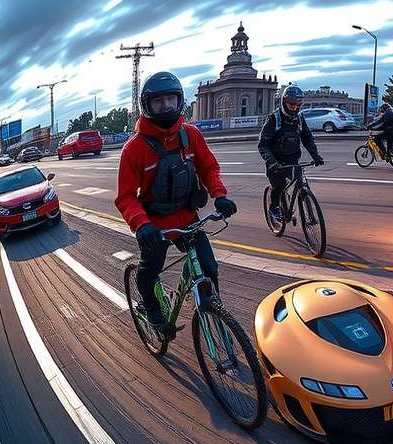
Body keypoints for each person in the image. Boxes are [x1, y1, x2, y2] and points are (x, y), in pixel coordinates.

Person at [115, 71, 237, 329]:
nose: (166, 106)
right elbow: (126, 197)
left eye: (171, 99)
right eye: (159, 101)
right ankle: (151, 309)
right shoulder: (134, 149)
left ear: (179, 100)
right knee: (149, 271)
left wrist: (220, 195)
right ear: (147, 106)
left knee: (209, 268)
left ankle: (210, 309)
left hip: (187, 218)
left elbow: (208, 168)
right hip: (154, 225)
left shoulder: (190, 135)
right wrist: (141, 225)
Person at [258, 85, 324, 222]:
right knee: (279, 186)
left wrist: (316, 156)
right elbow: (263, 145)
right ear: (284, 102)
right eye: (292, 104)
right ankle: (274, 208)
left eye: (298, 105)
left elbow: (307, 138)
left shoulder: (299, 119)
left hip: (293, 159)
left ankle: (308, 211)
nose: (294, 108)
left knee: (301, 182)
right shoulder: (273, 119)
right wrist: (272, 162)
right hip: (276, 162)